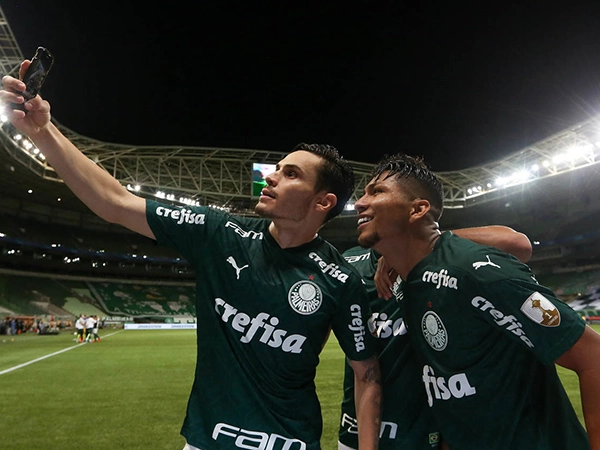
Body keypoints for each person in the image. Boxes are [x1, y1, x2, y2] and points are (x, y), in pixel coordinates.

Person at [0, 66, 381, 450]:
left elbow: (366, 374)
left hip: (290, 442)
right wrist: (42, 132)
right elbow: (114, 201)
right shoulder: (218, 233)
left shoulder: (339, 279)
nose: (271, 177)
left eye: (291, 174)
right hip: (206, 441)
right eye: (276, 168)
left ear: (324, 202)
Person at [352, 152, 600, 449]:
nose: (359, 202)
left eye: (376, 191)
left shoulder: (476, 272)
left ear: (417, 210)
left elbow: (593, 357)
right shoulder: (409, 283)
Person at [338, 227, 532, 450]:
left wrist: (424, 241)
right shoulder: (350, 261)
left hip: (425, 433)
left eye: (377, 191)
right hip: (356, 430)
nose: (363, 202)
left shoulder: (441, 258)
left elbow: (518, 245)